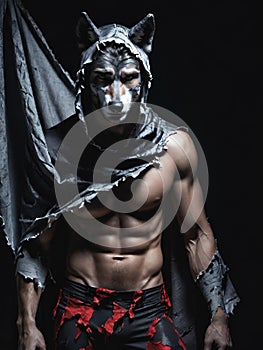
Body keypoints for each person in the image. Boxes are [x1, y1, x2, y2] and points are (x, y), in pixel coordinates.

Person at [14, 10, 240, 350]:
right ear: (85, 82)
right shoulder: (58, 150)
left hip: (148, 311)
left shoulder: (174, 147)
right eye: (103, 79)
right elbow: (36, 245)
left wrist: (218, 316)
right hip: (79, 308)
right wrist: (27, 322)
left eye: (128, 78)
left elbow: (196, 235)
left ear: (144, 80)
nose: (115, 94)